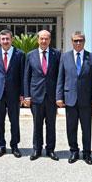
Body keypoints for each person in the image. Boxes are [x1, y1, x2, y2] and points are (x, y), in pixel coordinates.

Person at [56, 31, 92, 165]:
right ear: (71, 41)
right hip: (70, 98)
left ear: (84, 41)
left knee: (86, 128)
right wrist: (59, 97)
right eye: (75, 40)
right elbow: (60, 78)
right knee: (71, 127)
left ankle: (87, 153)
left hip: (86, 100)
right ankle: (74, 151)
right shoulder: (65, 57)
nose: (78, 43)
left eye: (80, 40)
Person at [23, 30, 60, 161]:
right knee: (37, 124)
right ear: (38, 40)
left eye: (46, 38)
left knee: (51, 125)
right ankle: (37, 149)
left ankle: (50, 150)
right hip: (36, 96)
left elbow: (59, 76)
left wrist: (59, 96)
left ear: (50, 40)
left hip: (51, 97)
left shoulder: (57, 54)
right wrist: (27, 95)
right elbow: (26, 76)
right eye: (42, 38)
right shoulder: (30, 55)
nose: (44, 41)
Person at [0, 29, 25, 158]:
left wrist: (22, 93)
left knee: (14, 121)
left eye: (7, 39)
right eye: (3, 39)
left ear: (12, 39)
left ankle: (14, 145)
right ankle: (1, 145)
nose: (5, 41)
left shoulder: (20, 54)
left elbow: (23, 75)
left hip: (14, 93)